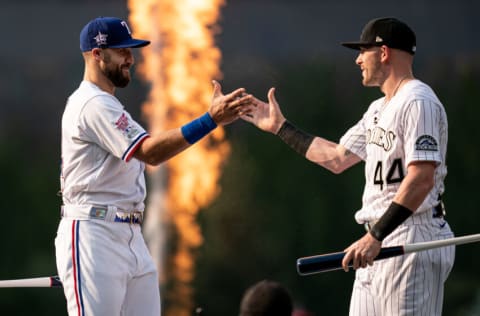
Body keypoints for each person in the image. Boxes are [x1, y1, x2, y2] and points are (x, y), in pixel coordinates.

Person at [242, 17, 455, 315]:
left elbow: (421, 179)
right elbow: (337, 158)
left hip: (411, 236)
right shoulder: (377, 109)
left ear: (383, 52)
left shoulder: (419, 101)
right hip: (374, 241)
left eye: (362, 51)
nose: (357, 59)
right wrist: (280, 127)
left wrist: (375, 235)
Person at [55, 16, 253, 316]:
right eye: (122, 51)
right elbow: (150, 153)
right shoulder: (92, 103)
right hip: (94, 232)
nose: (130, 59)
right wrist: (210, 120)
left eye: (130, 50)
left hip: (128, 232)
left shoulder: (106, 103)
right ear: (97, 55)